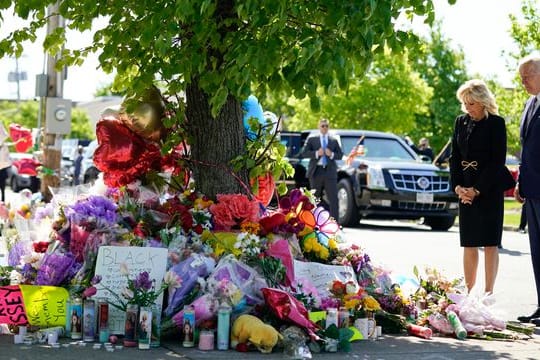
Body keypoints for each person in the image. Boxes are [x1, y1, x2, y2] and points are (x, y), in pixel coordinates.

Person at [450, 79, 511, 296]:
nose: (468, 108)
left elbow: (497, 161)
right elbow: (454, 157)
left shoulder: (496, 123)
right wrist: (459, 188)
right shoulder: (460, 122)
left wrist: (476, 190)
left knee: (490, 243)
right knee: (469, 242)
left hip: (489, 190)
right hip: (465, 190)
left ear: (483, 102)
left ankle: (488, 293)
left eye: (471, 104)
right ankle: (468, 292)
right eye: (465, 104)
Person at [515, 55, 540, 326]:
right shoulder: (529, 103)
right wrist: (521, 181)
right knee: (536, 251)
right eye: (521, 77)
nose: (523, 82)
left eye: (527, 76)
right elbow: (526, 149)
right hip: (532, 190)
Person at [300, 118, 343, 221]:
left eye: (326, 126)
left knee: (333, 199)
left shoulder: (333, 140)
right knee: (314, 199)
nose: (324, 128)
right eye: (322, 126)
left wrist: (331, 154)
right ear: (318, 127)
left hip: (330, 171)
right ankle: (312, 222)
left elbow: (340, 155)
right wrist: (316, 153)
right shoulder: (312, 139)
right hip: (316, 171)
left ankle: (334, 223)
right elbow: (304, 153)